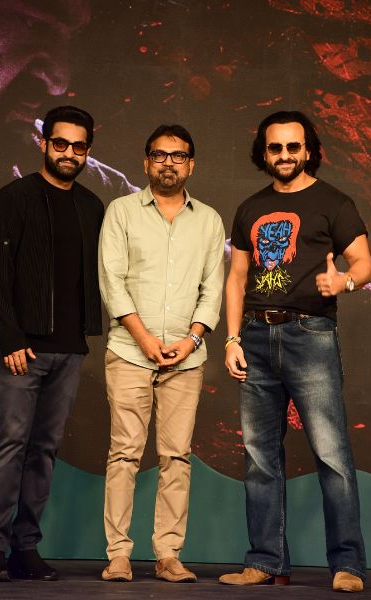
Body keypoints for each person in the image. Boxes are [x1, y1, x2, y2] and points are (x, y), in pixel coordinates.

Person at [219, 110, 371, 593]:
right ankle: (266, 562)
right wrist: (231, 339)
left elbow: (364, 262)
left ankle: (348, 565)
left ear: (308, 150)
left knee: (331, 454)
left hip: (311, 335)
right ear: (263, 152)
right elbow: (236, 278)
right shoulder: (250, 208)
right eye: (275, 147)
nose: (284, 155)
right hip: (254, 337)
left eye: (293, 146)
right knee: (259, 457)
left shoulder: (334, 202)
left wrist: (345, 282)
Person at [0, 105, 105, 582]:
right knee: (9, 445)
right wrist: (10, 336)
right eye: (61, 143)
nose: (69, 153)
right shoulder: (13, 198)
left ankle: (25, 549)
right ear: (45, 143)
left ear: (88, 151)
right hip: (23, 348)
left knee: (44, 450)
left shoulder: (92, 206)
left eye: (79, 146)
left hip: (70, 348)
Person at [97, 124, 225, 583]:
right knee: (124, 454)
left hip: (186, 359)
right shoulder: (121, 212)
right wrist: (145, 339)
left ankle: (168, 555)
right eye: (160, 154)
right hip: (130, 352)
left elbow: (212, 287)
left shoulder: (208, 220)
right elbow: (111, 281)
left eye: (178, 155)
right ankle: (118, 555)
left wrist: (192, 340)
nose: (169, 163)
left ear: (191, 164)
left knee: (176, 456)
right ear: (146, 162)